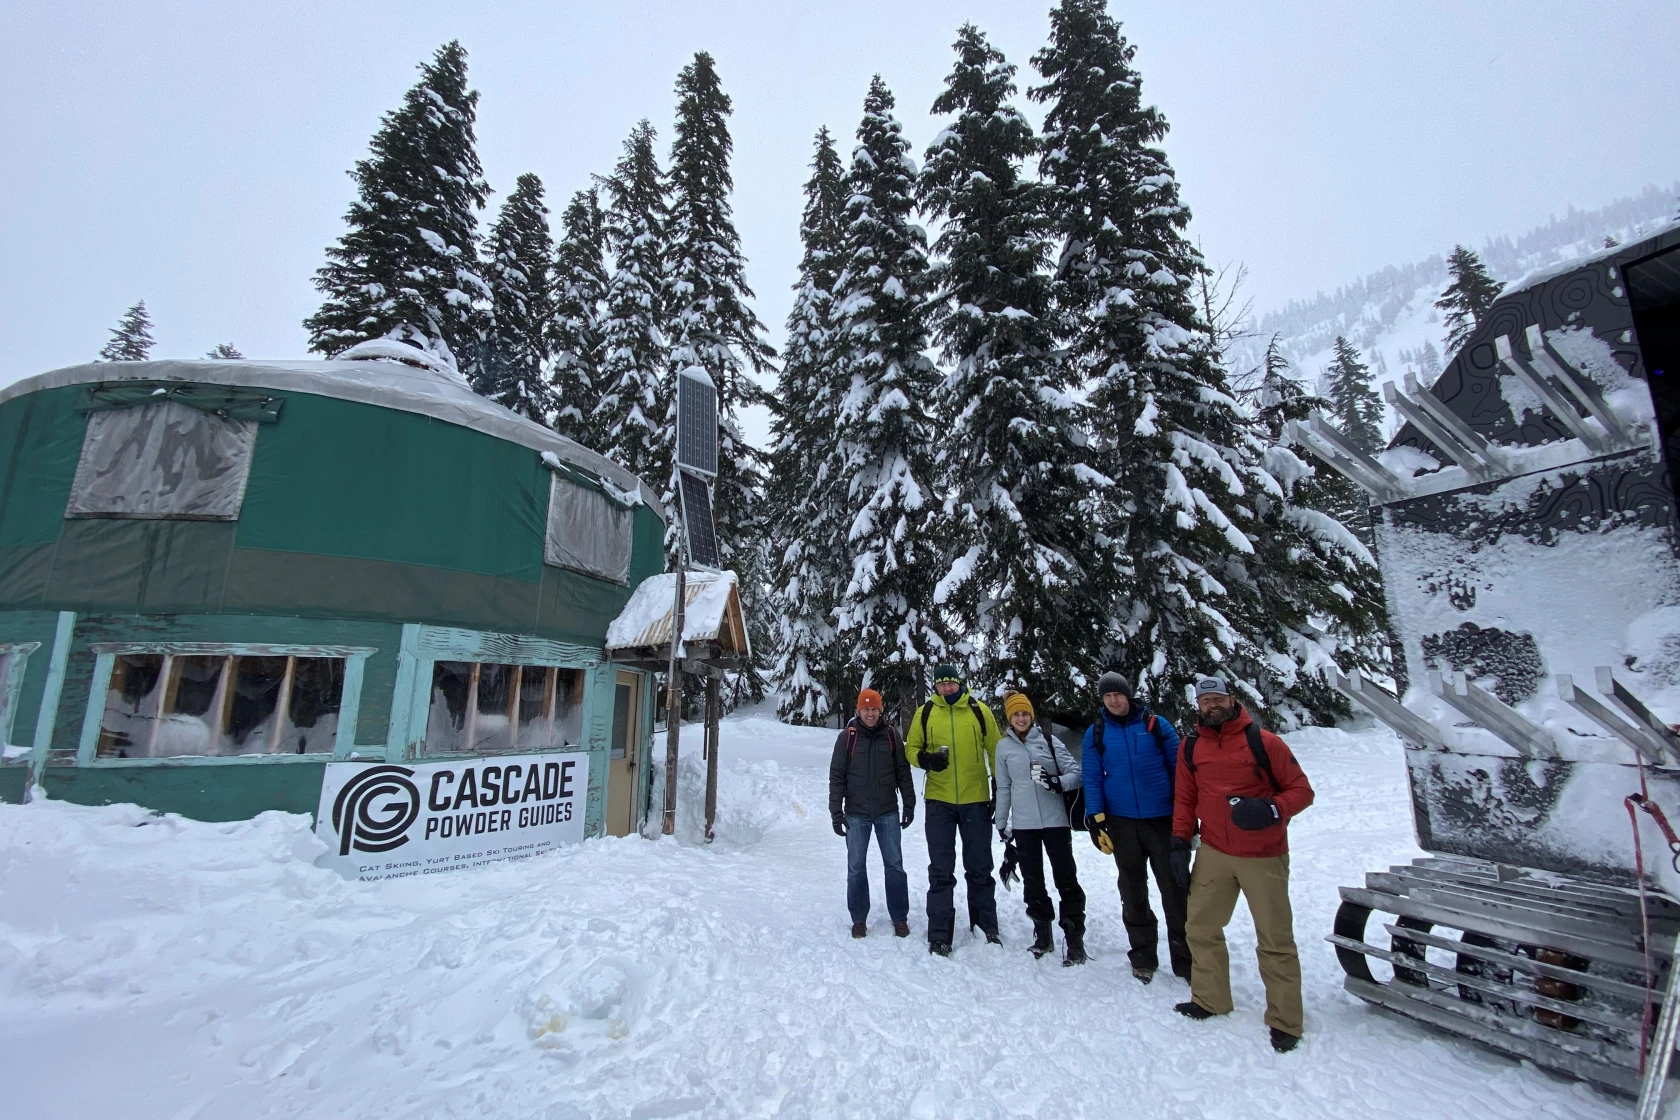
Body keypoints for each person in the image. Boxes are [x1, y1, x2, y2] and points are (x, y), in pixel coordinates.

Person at [1170, 675, 1316, 1054]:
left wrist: (1272, 808)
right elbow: (1185, 799)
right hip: (1214, 852)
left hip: (1263, 854)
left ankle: (1285, 1019)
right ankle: (1210, 998)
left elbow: (1302, 791)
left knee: (1274, 938)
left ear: (1231, 700)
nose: (1212, 706)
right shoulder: (1190, 748)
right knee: (1200, 927)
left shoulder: (1265, 743)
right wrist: (1179, 841)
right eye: (1205, 701)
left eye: (1217, 699)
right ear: (1198, 706)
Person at [1080, 671, 1189, 985]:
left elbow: (1180, 772)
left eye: (1118, 694)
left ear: (1128, 694)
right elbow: (1092, 776)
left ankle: (1186, 960)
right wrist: (1096, 818)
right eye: (1107, 696)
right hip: (1122, 823)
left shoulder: (1156, 725)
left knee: (1176, 891)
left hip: (1162, 821)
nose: (1113, 700)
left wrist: (1184, 816)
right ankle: (1143, 957)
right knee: (1133, 891)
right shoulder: (1096, 732)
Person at [905, 663, 1002, 956]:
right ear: (935, 686)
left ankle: (986, 925)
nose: (947, 688)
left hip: (975, 799)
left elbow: (996, 748)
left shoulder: (978, 711)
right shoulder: (925, 713)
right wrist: (926, 760)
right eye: (941, 684)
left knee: (980, 866)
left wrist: (998, 786)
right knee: (941, 869)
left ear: (959, 683)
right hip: (939, 801)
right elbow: (910, 748)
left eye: (951, 683)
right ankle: (939, 933)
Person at [993, 691, 1087, 965]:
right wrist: (1002, 823)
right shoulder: (1004, 748)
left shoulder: (1049, 741)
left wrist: (1057, 782)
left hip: (1055, 821)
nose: (1021, 718)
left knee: (1066, 879)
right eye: (1016, 714)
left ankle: (1074, 939)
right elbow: (1004, 787)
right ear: (1009, 718)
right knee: (1033, 883)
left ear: (1031, 716)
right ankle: (1043, 933)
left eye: (1025, 714)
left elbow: (1076, 774)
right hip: (1024, 825)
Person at [828, 688, 915, 939]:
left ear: (880, 710)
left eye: (874, 708)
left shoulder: (891, 736)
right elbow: (837, 777)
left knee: (895, 866)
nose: (870, 713)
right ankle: (858, 919)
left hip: (887, 811)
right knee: (856, 867)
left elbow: (903, 772)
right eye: (866, 708)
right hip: (856, 813)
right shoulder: (847, 738)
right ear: (858, 710)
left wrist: (908, 803)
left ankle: (899, 917)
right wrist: (836, 811)